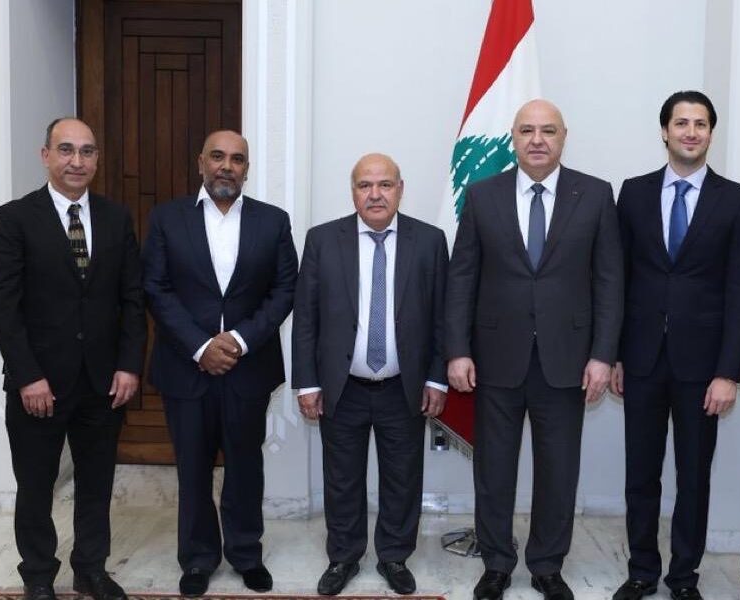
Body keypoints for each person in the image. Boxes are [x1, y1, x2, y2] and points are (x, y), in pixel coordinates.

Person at [445, 99, 624, 600]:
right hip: (495, 358)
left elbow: (610, 281)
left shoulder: (595, 194)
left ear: (564, 136)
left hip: (568, 360)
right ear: (514, 138)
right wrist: (457, 349)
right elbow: (462, 278)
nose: (538, 140)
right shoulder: (482, 195)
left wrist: (603, 355)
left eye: (548, 130)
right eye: (527, 131)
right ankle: (496, 563)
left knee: (558, 470)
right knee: (493, 470)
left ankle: (547, 565)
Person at [0, 118, 146, 600]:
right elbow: (1, 302)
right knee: (36, 486)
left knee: (96, 484)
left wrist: (129, 364)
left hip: (103, 382)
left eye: (87, 151)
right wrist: (28, 375)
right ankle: (38, 574)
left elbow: (132, 298)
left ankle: (91, 569)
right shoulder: (16, 218)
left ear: (97, 159)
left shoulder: (116, 218)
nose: (78, 161)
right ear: (46, 155)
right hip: (39, 384)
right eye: (67, 150)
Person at [610, 90, 740, 600]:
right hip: (642, 360)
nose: (690, 132)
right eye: (681, 123)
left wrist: (728, 372)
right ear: (665, 131)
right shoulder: (633, 193)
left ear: (711, 133)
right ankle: (641, 571)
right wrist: (616, 355)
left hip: (704, 368)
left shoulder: (737, 200)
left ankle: (683, 577)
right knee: (640, 475)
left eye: (700, 124)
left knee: (693, 477)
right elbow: (618, 280)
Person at [141, 130, 297, 597]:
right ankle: (197, 558)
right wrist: (200, 346)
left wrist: (240, 340)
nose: (227, 166)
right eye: (217, 157)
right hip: (185, 366)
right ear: (201, 163)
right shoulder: (167, 219)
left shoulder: (273, 221)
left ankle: (247, 554)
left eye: (237, 159)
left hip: (248, 367)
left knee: (246, 466)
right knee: (192, 467)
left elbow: (285, 289)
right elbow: (155, 288)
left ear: (247, 168)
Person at [291, 153, 448, 596]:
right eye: (365, 185)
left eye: (384, 185)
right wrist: (308, 382)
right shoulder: (323, 240)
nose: (375, 194)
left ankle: (394, 556)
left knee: (403, 477)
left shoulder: (430, 241)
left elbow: (443, 316)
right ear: (353, 191)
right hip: (342, 387)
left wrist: (436, 378)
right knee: (342, 478)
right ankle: (343, 557)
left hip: (404, 386)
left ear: (400, 189)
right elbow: (306, 318)